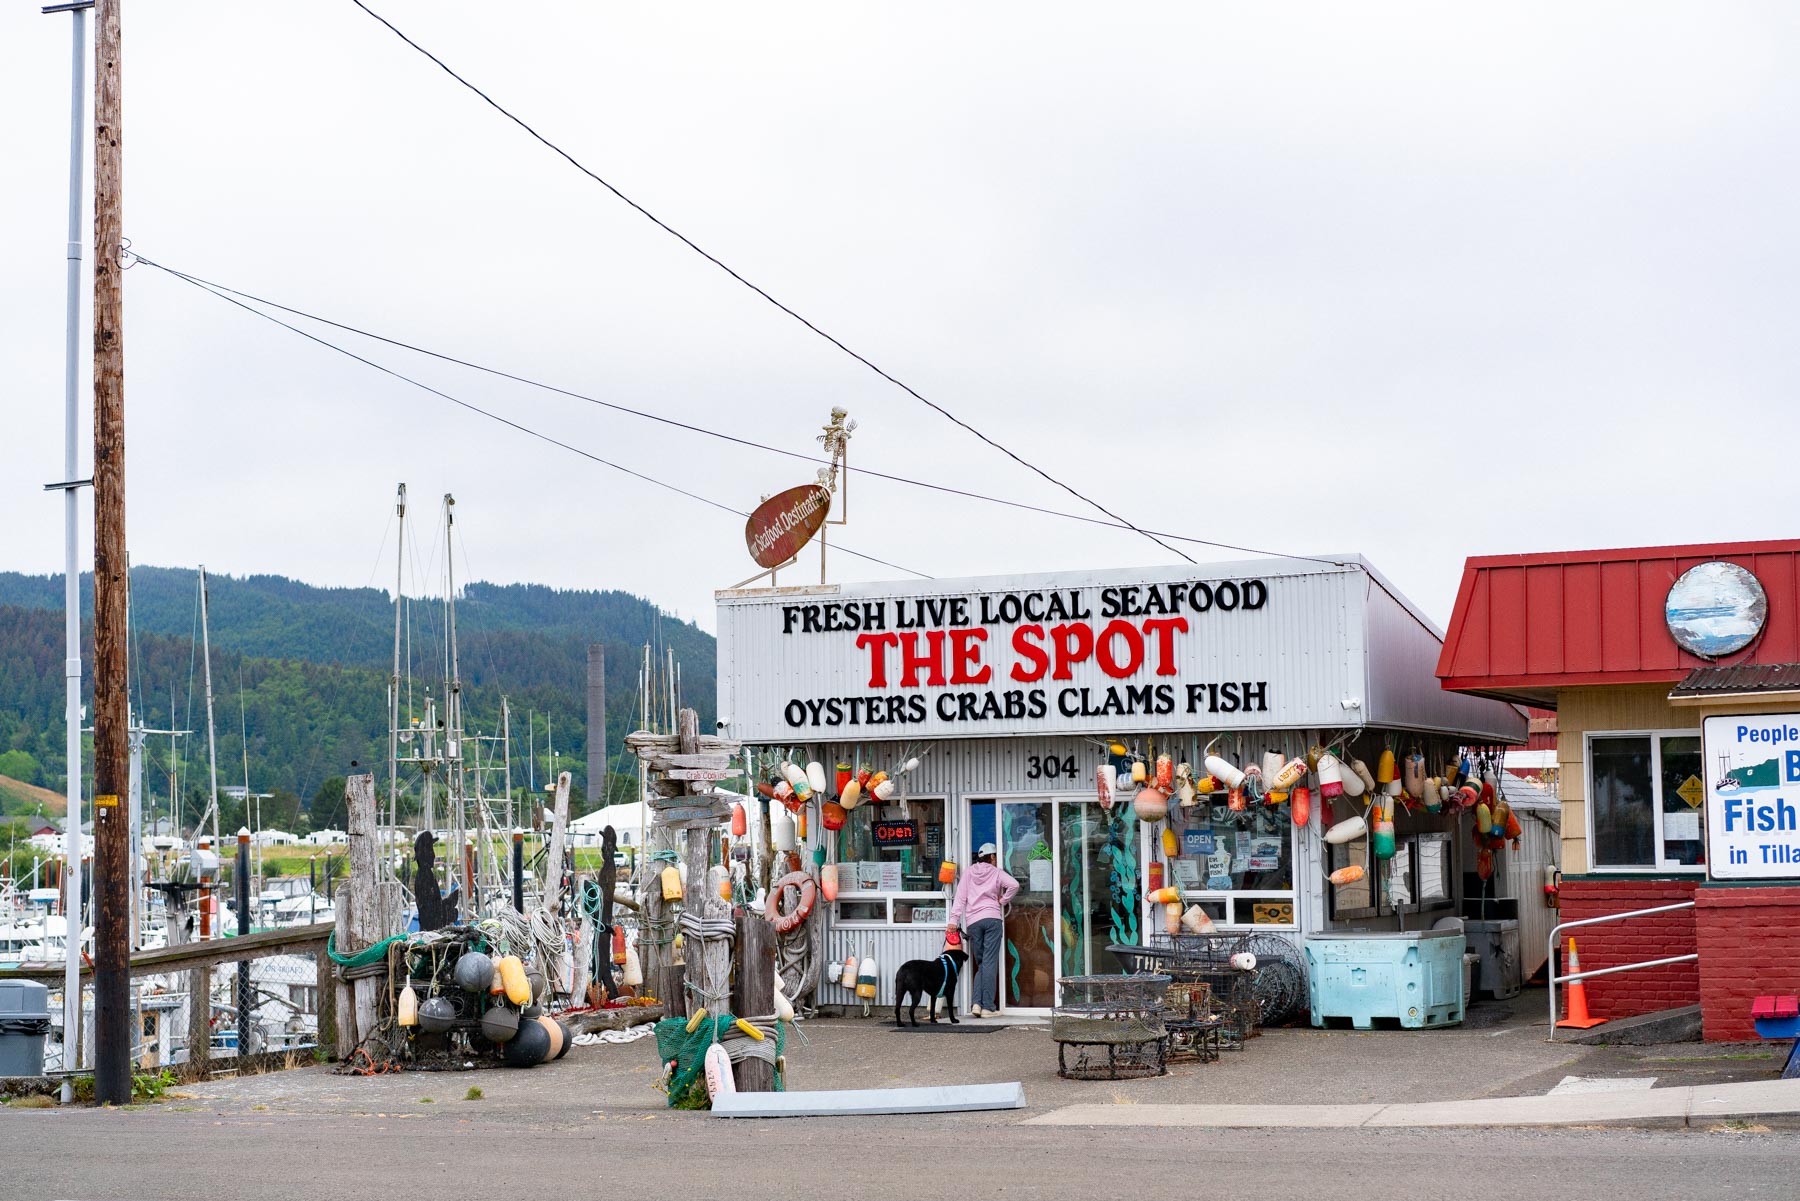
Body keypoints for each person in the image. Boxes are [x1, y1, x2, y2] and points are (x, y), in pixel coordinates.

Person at [947, 842, 1019, 1017]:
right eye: (995, 857)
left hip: (973, 923)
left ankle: (976, 1005)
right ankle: (988, 1007)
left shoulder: (969, 873)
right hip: (992, 919)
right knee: (989, 963)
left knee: (982, 964)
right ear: (992, 857)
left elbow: (960, 898)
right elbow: (1014, 885)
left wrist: (953, 920)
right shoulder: (997, 873)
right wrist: (1002, 901)